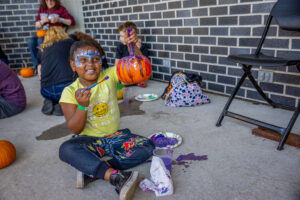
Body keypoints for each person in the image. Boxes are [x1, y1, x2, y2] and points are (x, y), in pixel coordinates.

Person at [59, 40, 154, 200]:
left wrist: (134, 48)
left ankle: (94, 171)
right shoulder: (69, 92)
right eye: (83, 60)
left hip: (115, 137)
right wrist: (82, 106)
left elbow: (139, 68)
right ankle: (116, 177)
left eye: (95, 59)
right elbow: (75, 129)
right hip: (89, 141)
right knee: (66, 149)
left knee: (147, 146)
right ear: (73, 65)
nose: (91, 64)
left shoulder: (110, 75)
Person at [27, 0, 75, 70]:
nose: (49, 2)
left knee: (41, 40)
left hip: (55, 33)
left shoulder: (61, 9)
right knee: (31, 41)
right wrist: (43, 21)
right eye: (47, 0)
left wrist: (59, 19)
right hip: (43, 32)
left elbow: (72, 22)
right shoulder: (42, 9)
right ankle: (37, 66)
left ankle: (45, 66)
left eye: (51, 0)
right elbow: (36, 25)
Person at [37, 26, 74, 116]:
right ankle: (62, 106)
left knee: (55, 91)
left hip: (46, 90)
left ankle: (52, 100)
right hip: (66, 88)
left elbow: (40, 75)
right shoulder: (70, 43)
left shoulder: (42, 49)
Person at [114, 21, 149, 88]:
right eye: (120, 36)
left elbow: (144, 67)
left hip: (137, 75)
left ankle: (135, 82)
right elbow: (116, 66)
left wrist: (136, 48)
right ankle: (135, 82)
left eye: (121, 36)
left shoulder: (142, 47)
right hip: (124, 76)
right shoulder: (120, 47)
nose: (120, 38)